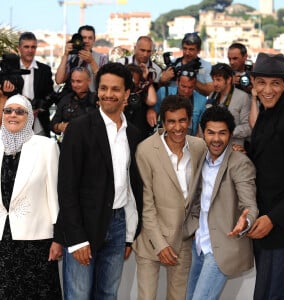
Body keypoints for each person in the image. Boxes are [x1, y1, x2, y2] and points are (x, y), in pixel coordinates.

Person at [54, 62, 143, 300]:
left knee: (107, 294)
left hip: (117, 225)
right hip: (84, 225)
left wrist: (128, 235)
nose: (108, 94)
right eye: (103, 88)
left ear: (126, 94)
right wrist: (76, 239)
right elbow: (66, 187)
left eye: (115, 89)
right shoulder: (79, 129)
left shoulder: (133, 134)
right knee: (78, 295)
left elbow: (132, 186)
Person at [133, 95, 207, 300]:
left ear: (190, 121)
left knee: (178, 297)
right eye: (171, 121)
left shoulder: (199, 147)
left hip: (182, 238)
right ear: (163, 122)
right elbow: (146, 205)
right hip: (150, 239)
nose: (177, 127)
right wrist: (160, 244)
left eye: (182, 120)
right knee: (146, 297)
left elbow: (200, 194)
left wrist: (190, 229)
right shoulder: (146, 150)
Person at [184, 105, 258, 300]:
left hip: (222, 248)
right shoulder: (201, 158)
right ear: (202, 133)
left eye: (222, 133)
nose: (216, 139)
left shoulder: (240, 163)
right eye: (211, 133)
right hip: (199, 244)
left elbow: (249, 204)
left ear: (231, 134)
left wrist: (246, 222)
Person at [247, 52, 284, 300]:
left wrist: (273, 219)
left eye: (275, 83)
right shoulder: (268, 110)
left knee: (268, 292)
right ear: (253, 83)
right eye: (262, 83)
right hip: (263, 218)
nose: (268, 90)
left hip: (278, 224)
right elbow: (266, 153)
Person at [0, 94, 62, 298]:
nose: (13, 115)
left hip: (37, 241)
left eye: (20, 111)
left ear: (30, 117)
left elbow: (54, 194)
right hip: (3, 239)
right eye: (8, 111)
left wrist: (58, 238)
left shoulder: (46, 147)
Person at [147, 69, 206, 136]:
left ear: (195, 85)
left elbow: (201, 128)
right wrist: (151, 110)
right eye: (183, 86)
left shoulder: (202, 100)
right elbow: (153, 109)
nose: (186, 91)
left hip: (188, 140)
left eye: (190, 87)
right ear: (177, 82)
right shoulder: (163, 92)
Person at [18, 32, 55, 137]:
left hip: (39, 124)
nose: (30, 50)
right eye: (26, 47)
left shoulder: (45, 70)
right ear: (19, 48)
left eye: (33, 47)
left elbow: (51, 94)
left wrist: (39, 108)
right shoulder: (11, 69)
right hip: (15, 122)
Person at [207, 62, 251, 146]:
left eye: (218, 80)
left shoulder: (243, 97)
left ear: (229, 79)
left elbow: (249, 127)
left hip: (233, 149)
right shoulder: (212, 95)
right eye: (213, 80)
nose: (215, 84)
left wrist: (226, 131)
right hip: (213, 148)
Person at [55, 25, 108, 93]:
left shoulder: (102, 58)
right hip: (70, 100)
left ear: (94, 40)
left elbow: (105, 82)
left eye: (90, 38)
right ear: (78, 39)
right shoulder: (71, 57)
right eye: (84, 38)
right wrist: (65, 55)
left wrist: (92, 62)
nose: (86, 41)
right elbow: (59, 80)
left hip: (91, 100)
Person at [50, 66, 97, 141]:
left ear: (89, 81)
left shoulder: (96, 100)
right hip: (68, 144)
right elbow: (53, 124)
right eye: (72, 81)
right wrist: (60, 127)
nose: (75, 85)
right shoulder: (65, 99)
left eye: (79, 81)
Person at [160, 32, 213, 96]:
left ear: (198, 50)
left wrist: (190, 78)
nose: (187, 53)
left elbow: (211, 91)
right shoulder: (173, 64)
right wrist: (163, 80)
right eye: (185, 48)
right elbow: (160, 87)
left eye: (191, 49)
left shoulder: (206, 66)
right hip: (173, 101)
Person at [124, 64, 157, 139]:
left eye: (133, 84)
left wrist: (146, 80)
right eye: (128, 83)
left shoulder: (141, 95)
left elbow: (152, 101)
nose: (130, 88)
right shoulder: (116, 96)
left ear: (139, 83)